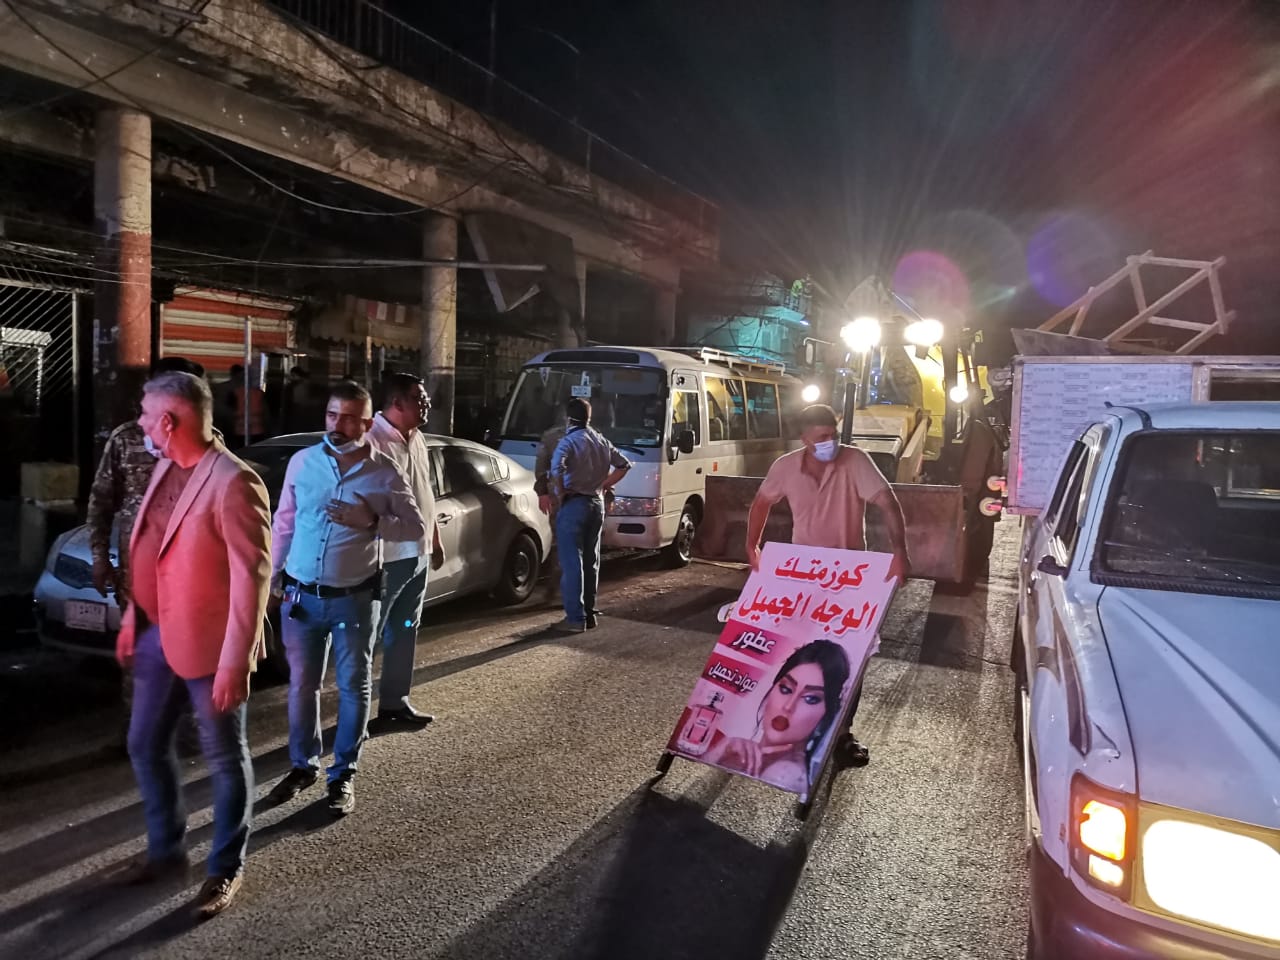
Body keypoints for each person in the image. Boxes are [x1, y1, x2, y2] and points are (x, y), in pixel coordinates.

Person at [114, 371, 272, 919]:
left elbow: (252, 578)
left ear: (168, 421)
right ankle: (166, 852)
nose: (139, 422)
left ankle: (224, 868)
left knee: (225, 758)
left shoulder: (234, 482)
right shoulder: (165, 465)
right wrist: (134, 615)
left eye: (144, 414)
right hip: (159, 634)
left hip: (211, 647)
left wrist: (237, 661)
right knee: (144, 743)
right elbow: (153, 546)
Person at [266, 381, 425, 816]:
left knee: (354, 686)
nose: (338, 425)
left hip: (353, 599)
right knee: (302, 686)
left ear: (367, 422)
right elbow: (284, 522)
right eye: (332, 415)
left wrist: (372, 521)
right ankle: (303, 765)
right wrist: (272, 578)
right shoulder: (303, 463)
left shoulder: (384, 471)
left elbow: (414, 526)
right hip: (301, 596)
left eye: (350, 417)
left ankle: (343, 774)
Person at [745, 403, 909, 767]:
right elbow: (761, 502)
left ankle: (842, 734)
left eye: (833, 435)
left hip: (850, 574)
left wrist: (900, 551)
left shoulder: (856, 461)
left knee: (852, 653)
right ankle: (772, 725)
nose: (829, 443)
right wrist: (751, 546)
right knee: (796, 654)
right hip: (801, 575)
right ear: (804, 438)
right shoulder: (785, 467)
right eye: (821, 437)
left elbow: (888, 502)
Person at [87, 356, 206, 750]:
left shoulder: (207, 439)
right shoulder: (126, 437)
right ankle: (136, 734)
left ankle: (185, 733)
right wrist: (100, 557)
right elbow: (101, 502)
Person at [366, 373, 445, 729]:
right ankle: (355, 715)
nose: (426, 404)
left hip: (418, 553)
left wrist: (435, 540)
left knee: (406, 627)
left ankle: (395, 703)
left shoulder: (418, 439)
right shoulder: (372, 440)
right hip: (386, 558)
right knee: (368, 638)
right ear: (397, 402)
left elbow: (425, 493)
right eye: (419, 398)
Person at [703, 640, 850, 793]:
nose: (788, 706)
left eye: (810, 699)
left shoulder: (786, 775)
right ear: (772, 689)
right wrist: (721, 750)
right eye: (785, 689)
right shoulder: (736, 750)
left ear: (826, 715)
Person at [547, 397, 632, 633]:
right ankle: (590, 614)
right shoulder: (601, 440)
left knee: (572, 563)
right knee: (591, 562)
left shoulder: (568, 442)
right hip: (596, 504)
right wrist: (604, 485)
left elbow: (556, 468)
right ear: (588, 417)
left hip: (575, 504)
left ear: (568, 418)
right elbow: (624, 465)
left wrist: (561, 492)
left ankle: (575, 619)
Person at [533, 419, 567, 606]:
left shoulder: (552, 436)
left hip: (561, 497)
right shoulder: (595, 437)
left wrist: (543, 492)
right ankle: (568, 592)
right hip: (581, 499)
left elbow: (541, 468)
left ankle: (557, 589)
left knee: (560, 543)